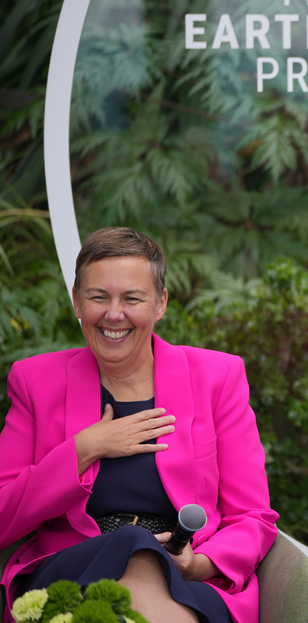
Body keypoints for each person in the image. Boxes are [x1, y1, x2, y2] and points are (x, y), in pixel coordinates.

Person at [0, 227, 278, 623]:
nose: (114, 314)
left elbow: (252, 516)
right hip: (73, 569)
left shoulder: (218, 377)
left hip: (189, 580)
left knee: (143, 553)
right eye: (98, 297)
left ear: (160, 303)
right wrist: (83, 449)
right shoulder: (34, 381)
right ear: (77, 301)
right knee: (132, 543)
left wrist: (197, 563)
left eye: (132, 298)